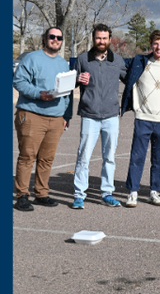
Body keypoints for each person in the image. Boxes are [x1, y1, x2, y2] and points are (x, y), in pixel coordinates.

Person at [13, 26, 74, 211]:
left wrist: (66, 115)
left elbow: (68, 92)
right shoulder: (32, 58)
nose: (55, 40)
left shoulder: (63, 64)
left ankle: (41, 193)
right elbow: (18, 81)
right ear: (45, 38)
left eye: (59, 38)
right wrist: (39, 94)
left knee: (47, 158)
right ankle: (22, 195)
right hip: (32, 115)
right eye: (52, 36)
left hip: (56, 118)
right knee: (27, 156)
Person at [121, 29, 160, 207]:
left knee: (159, 159)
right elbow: (115, 63)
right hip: (143, 118)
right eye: (155, 43)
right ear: (151, 45)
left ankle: (155, 191)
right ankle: (133, 192)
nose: (159, 47)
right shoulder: (139, 61)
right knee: (137, 156)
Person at [72, 23, 129, 208]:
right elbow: (69, 82)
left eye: (105, 38)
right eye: (98, 38)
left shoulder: (117, 61)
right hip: (89, 115)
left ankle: (107, 193)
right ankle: (79, 195)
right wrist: (76, 79)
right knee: (83, 156)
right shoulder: (82, 59)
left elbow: (130, 80)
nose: (101, 41)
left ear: (110, 39)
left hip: (111, 116)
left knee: (109, 157)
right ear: (93, 38)